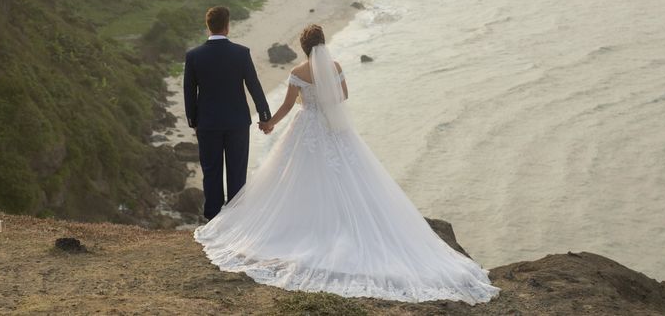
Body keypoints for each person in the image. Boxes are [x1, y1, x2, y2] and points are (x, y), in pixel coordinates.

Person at [193, 23, 499, 304]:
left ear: (303, 45)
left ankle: (303, 225)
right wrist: (323, 99)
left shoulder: (298, 71)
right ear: (323, 45)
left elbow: (287, 105)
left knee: (295, 179)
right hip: (333, 130)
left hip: (306, 129)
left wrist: (270, 122)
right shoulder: (336, 66)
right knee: (347, 176)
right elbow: (343, 96)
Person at [182, 6, 272, 220]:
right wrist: (264, 116)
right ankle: (236, 220)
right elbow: (254, 86)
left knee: (211, 172)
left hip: (207, 124)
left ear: (208, 26)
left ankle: (213, 219)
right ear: (227, 26)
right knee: (237, 173)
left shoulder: (194, 56)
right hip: (237, 123)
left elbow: (189, 92)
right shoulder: (241, 53)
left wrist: (193, 121)